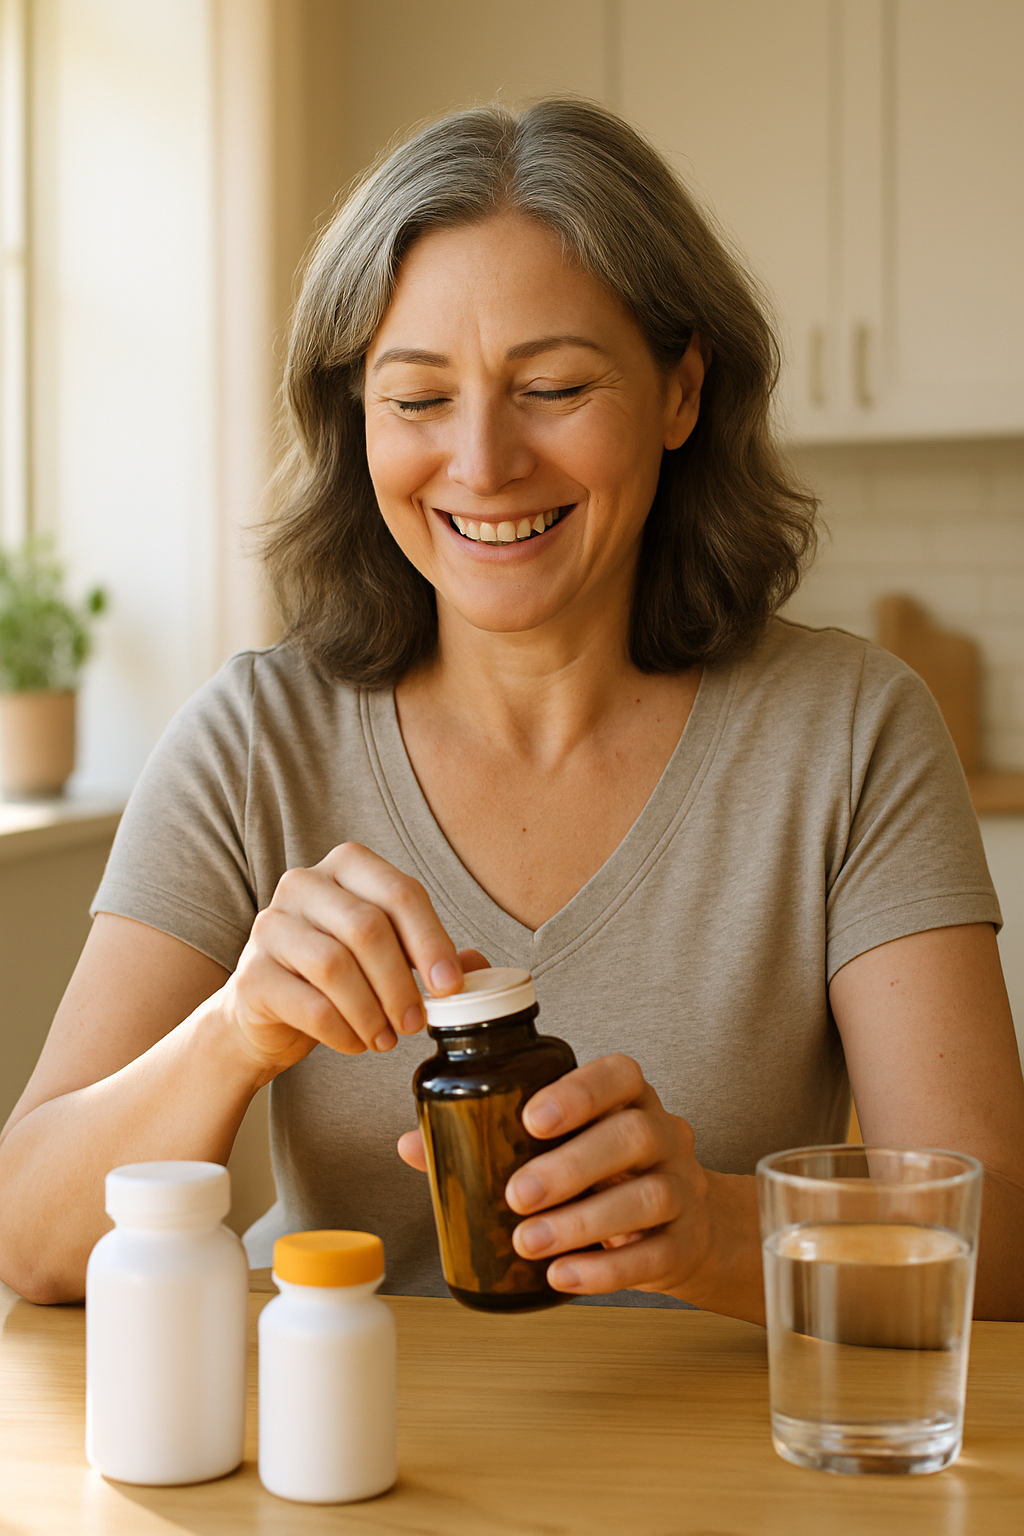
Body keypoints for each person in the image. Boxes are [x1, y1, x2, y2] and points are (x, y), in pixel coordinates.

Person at [1, 99, 1022, 1319]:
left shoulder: (848, 729)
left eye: (551, 386)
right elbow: (30, 1237)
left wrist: (709, 1225)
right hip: (359, 1478)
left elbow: (997, 1245)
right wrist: (234, 1032)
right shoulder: (251, 744)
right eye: (418, 399)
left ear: (680, 390)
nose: (481, 464)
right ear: (356, 420)